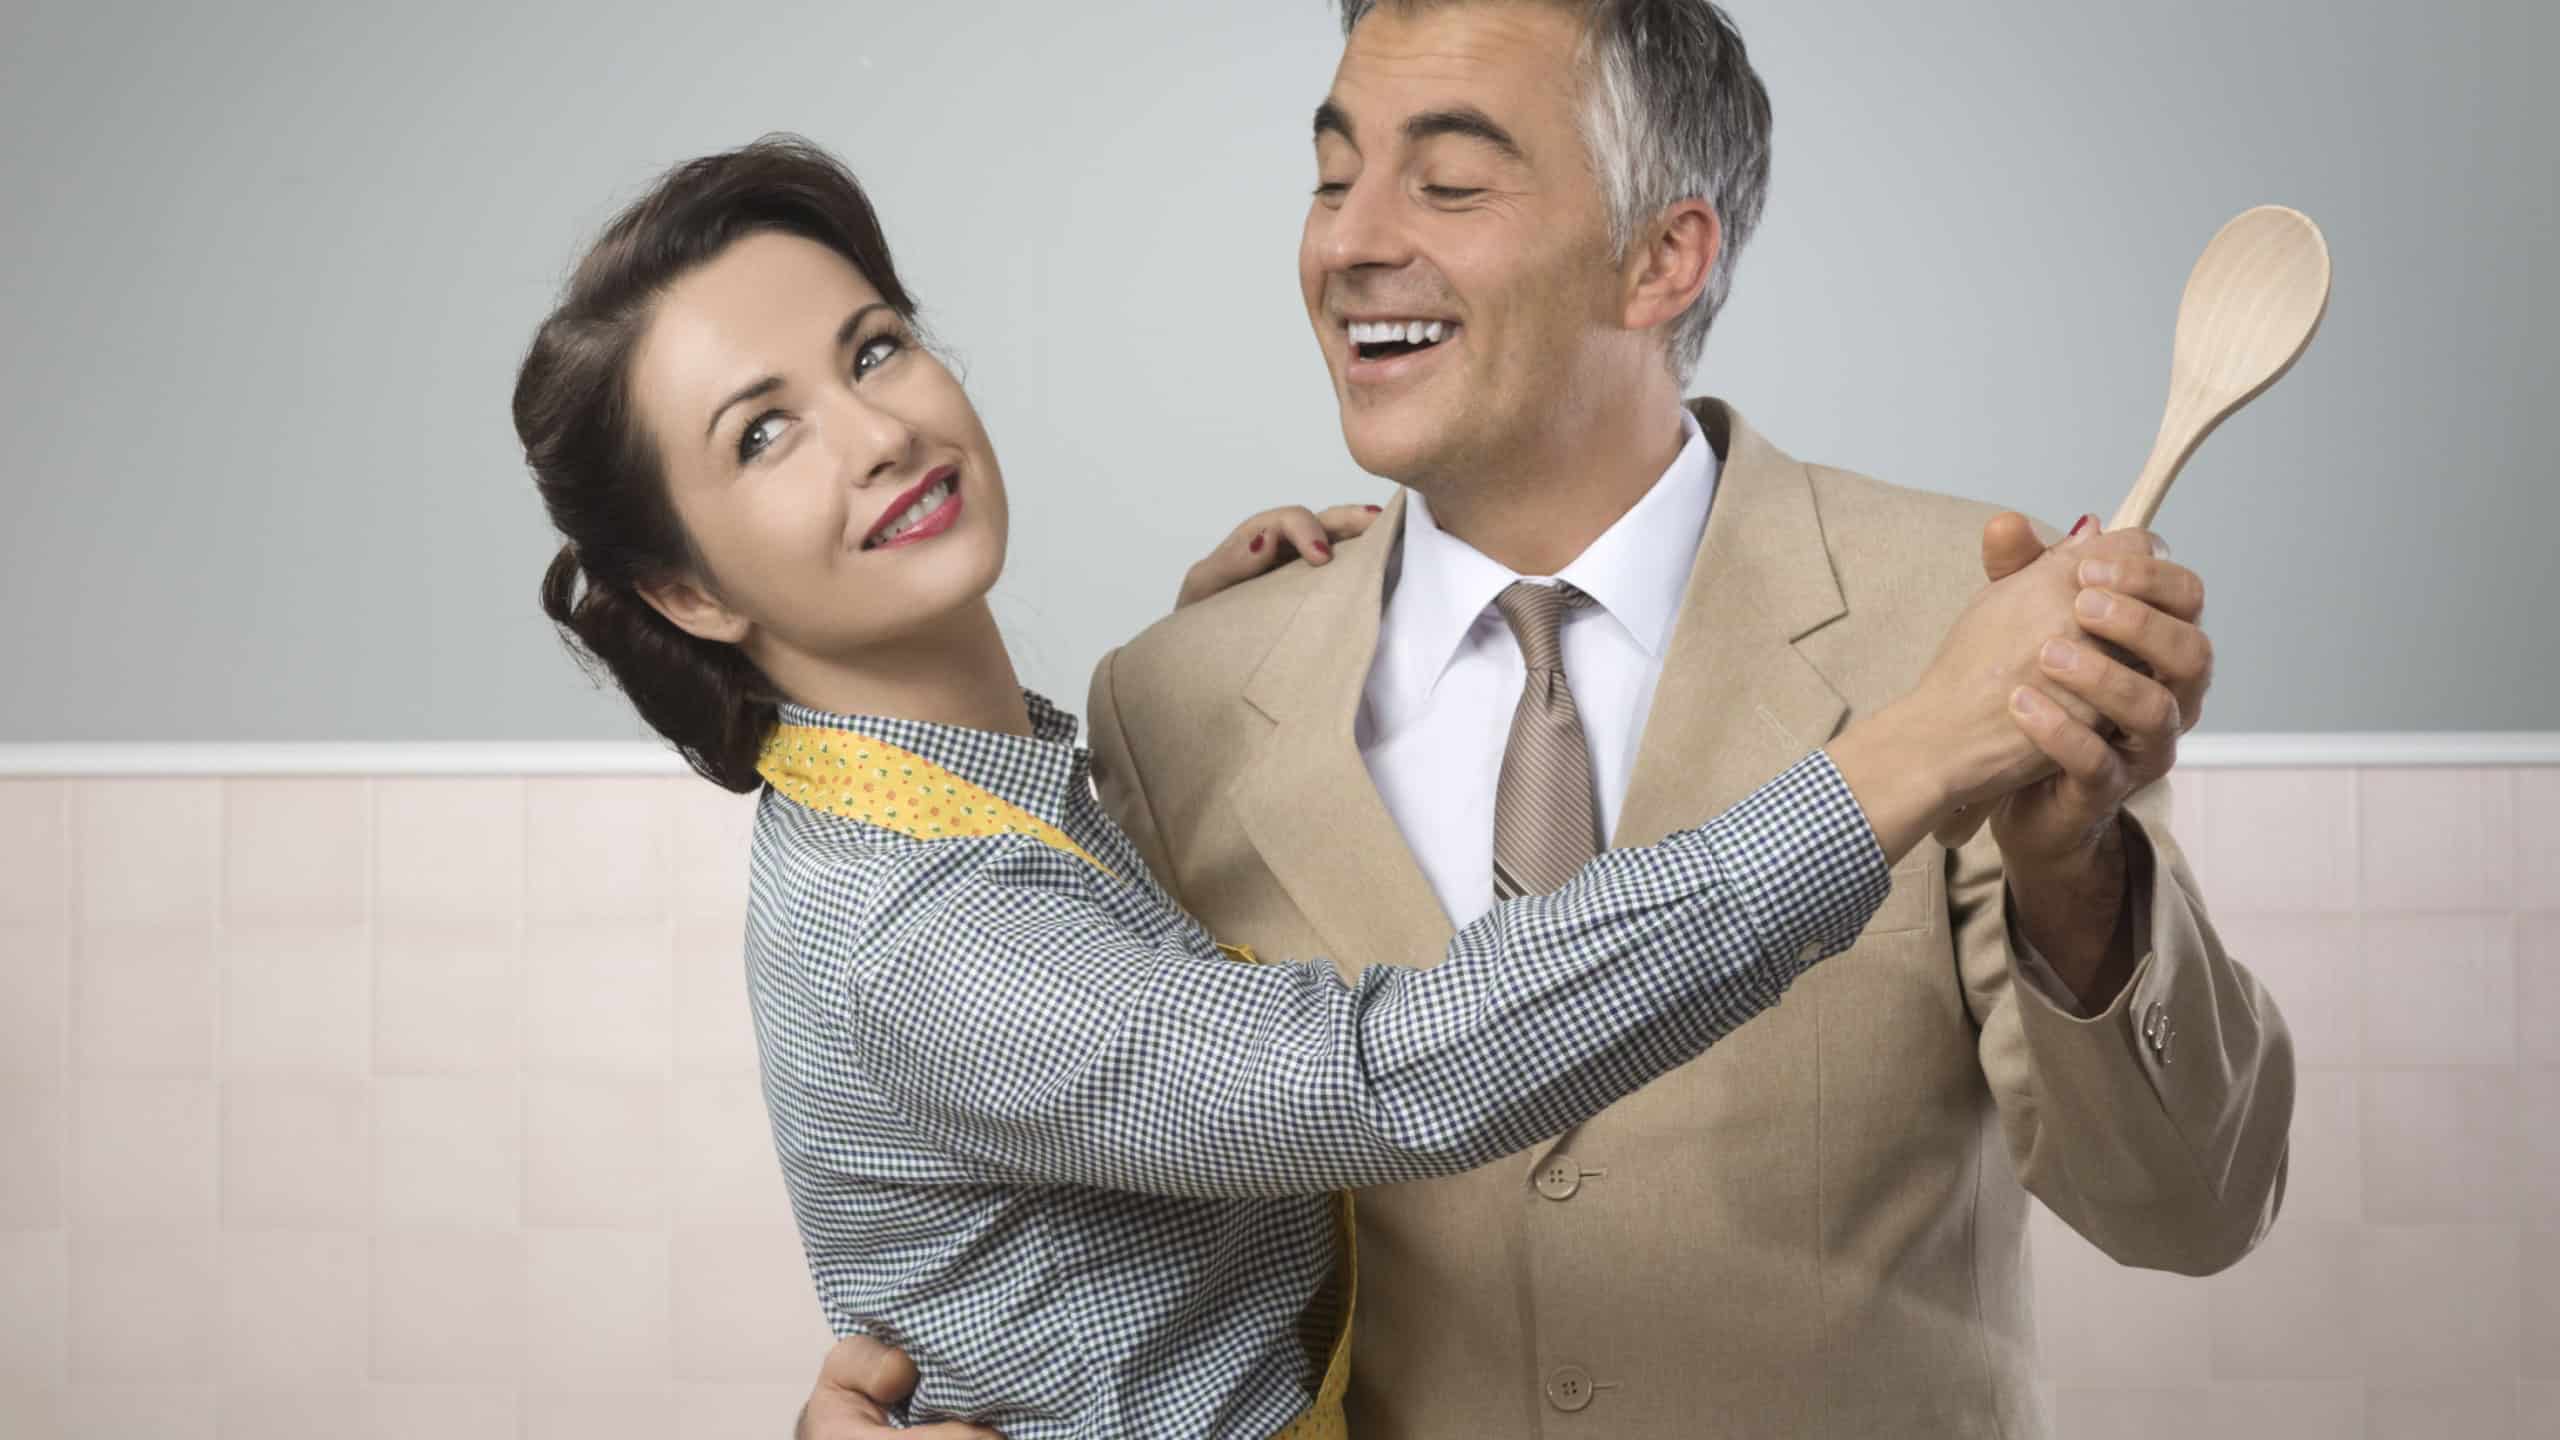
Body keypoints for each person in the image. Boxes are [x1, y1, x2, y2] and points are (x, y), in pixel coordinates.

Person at [513, 134, 2160, 1439]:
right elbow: (1373, 1081)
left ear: (1668, 250)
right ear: (688, 596)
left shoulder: (1027, 767)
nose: (875, 432)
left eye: (875, 348)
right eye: (760, 437)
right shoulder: (914, 935)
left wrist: (1206, 659)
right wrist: (1904, 753)